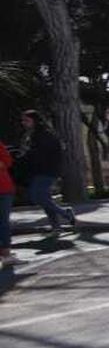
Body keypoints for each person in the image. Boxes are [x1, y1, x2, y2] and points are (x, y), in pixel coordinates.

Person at [14, 110, 75, 233]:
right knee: (45, 198)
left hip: (47, 170)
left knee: (37, 197)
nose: (24, 123)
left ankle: (66, 214)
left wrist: (24, 157)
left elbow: (40, 154)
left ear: (35, 120)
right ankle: (56, 226)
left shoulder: (43, 134)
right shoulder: (32, 134)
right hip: (39, 170)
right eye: (23, 120)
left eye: (27, 120)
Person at [0, 139, 15, 267]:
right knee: (3, 222)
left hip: (4, 188)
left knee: (3, 221)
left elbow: (7, 162)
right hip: (4, 189)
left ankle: (5, 253)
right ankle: (5, 254)